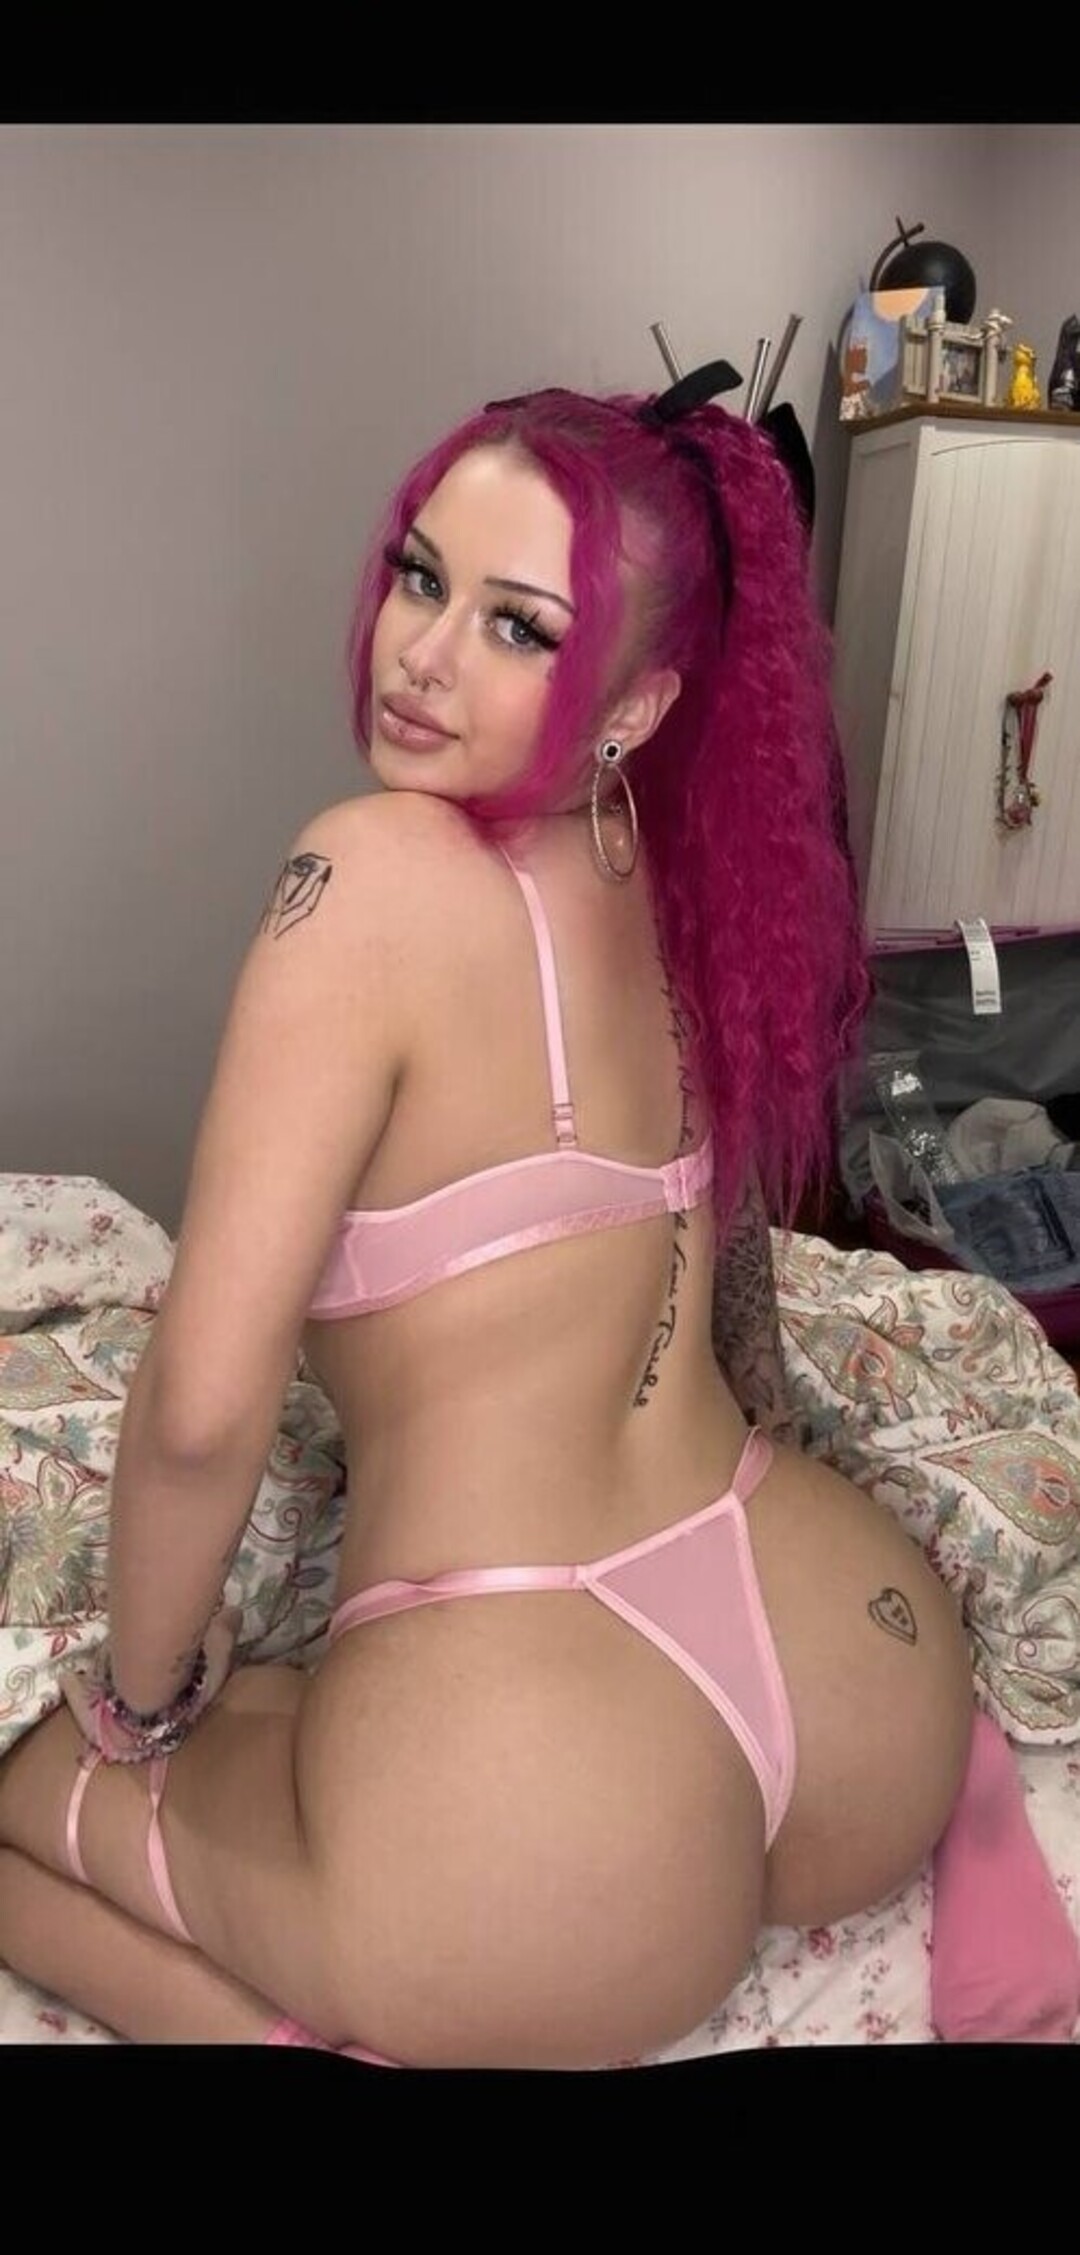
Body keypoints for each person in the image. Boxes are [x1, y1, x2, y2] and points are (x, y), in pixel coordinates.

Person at [0, 370, 1076, 2063]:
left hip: (554, 1813)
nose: (421, 656)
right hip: (860, 1673)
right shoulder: (686, 871)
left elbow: (200, 1411)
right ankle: (991, 1858)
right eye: (421, 578)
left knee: (20, 1799)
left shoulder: (369, 876)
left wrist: (140, 1698)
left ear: (636, 701)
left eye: (518, 627)